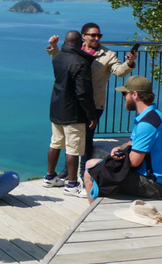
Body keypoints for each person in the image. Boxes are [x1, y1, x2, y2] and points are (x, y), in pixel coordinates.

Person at [47, 23, 136, 174]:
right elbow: (61, 62)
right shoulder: (74, 50)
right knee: (71, 141)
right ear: (83, 36)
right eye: (93, 35)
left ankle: (82, 172)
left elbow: (120, 72)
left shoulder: (107, 55)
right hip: (72, 103)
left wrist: (130, 62)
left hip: (93, 103)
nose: (96, 38)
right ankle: (68, 170)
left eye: (99, 35)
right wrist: (53, 48)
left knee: (85, 140)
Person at [84, 75, 162, 203]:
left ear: (135, 94)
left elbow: (134, 161)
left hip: (153, 185)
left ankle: (92, 216)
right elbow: (131, 142)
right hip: (153, 179)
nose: (124, 98)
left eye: (125, 94)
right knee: (94, 165)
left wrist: (110, 162)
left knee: (91, 171)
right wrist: (120, 148)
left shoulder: (147, 124)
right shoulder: (153, 115)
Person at [44, 30, 98, 197]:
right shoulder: (81, 62)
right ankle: (72, 185)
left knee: (55, 142)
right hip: (73, 111)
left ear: (66, 43)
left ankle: (50, 177)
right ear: (78, 44)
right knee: (73, 148)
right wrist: (91, 114)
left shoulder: (58, 57)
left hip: (56, 107)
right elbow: (83, 93)